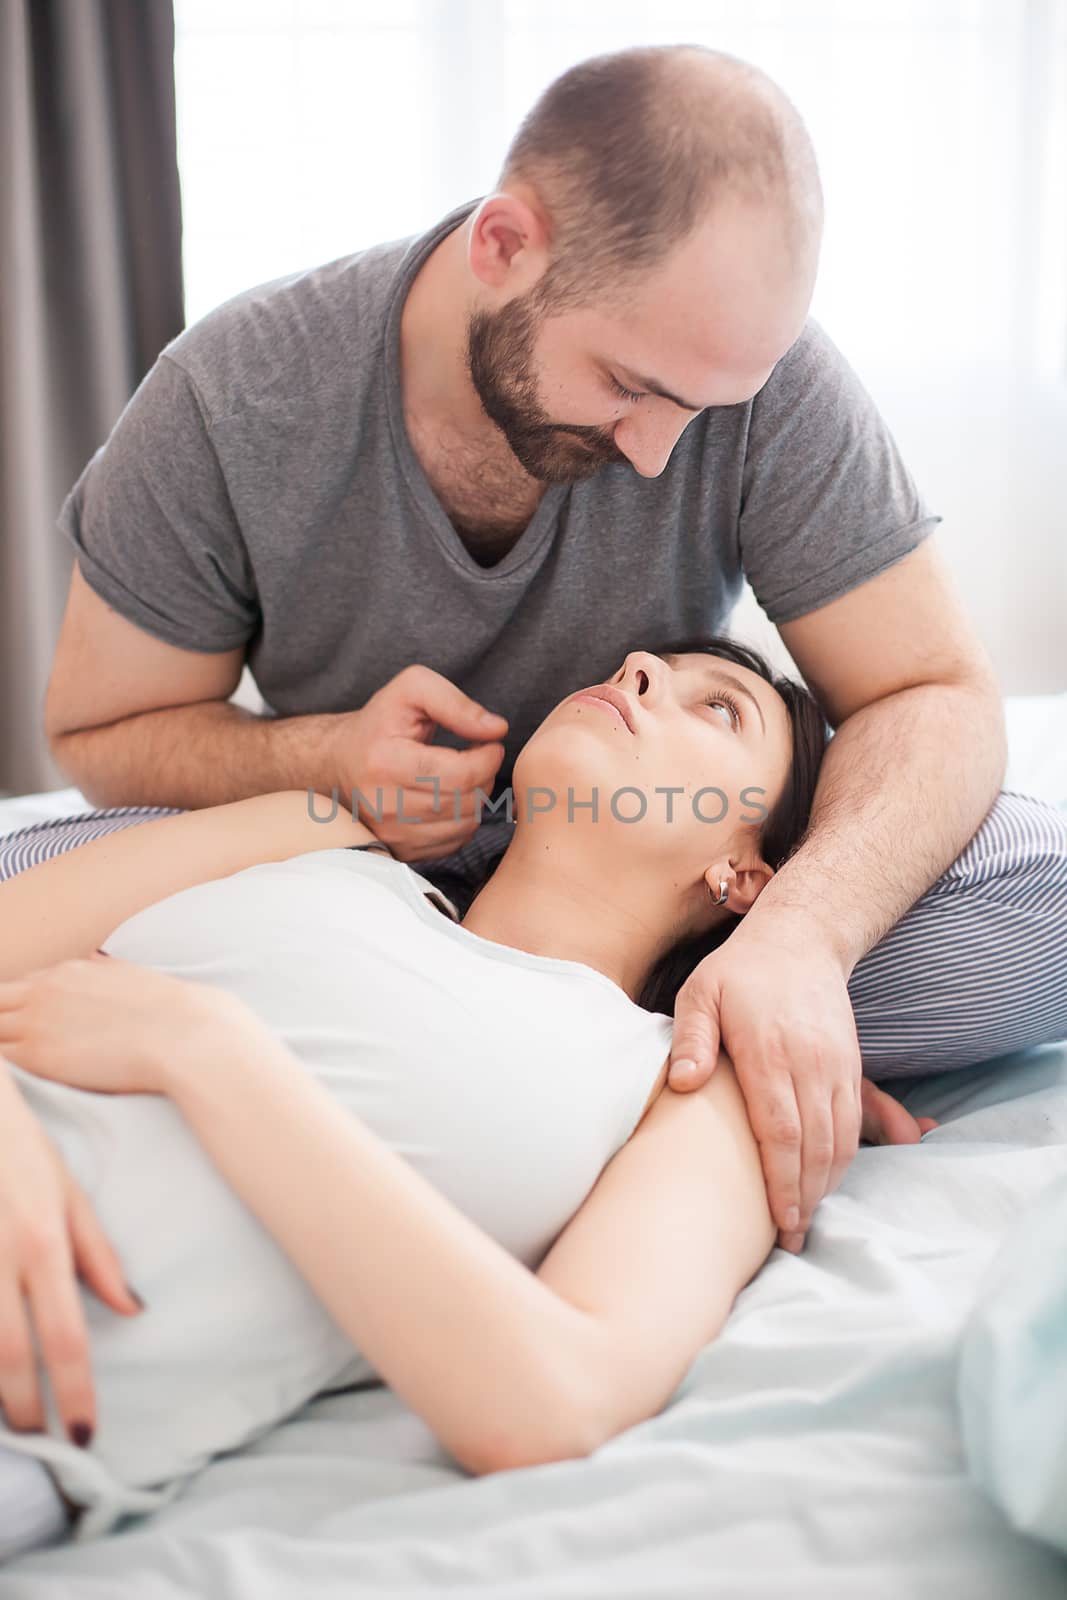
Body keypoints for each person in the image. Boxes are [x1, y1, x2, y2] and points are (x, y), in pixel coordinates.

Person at [40, 42, 1063, 1275]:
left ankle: (669, 1028)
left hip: (667, 897)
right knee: (37, 887)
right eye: (629, 388)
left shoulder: (747, 378)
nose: (655, 456)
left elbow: (931, 691)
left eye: (702, 411)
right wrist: (329, 758)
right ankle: (652, 1033)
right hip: (350, 850)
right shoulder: (229, 400)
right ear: (504, 246)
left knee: (1029, 885)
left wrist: (795, 940)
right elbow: (100, 732)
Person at [0, 639, 935, 1559]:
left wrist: (206, 1050)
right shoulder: (307, 834)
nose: (635, 669)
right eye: (636, 667)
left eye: (718, 707)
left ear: (745, 876)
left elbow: (559, 1400)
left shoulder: (686, 1083)